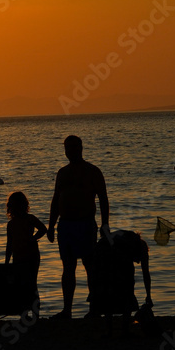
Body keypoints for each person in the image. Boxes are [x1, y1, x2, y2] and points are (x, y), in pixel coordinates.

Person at [47, 135, 110, 319]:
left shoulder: (93, 171)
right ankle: (67, 310)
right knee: (68, 267)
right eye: (67, 148)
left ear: (81, 148)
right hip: (65, 225)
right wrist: (50, 225)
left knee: (90, 266)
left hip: (85, 224)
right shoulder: (62, 173)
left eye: (74, 147)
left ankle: (94, 309)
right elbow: (56, 200)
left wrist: (105, 224)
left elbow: (104, 200)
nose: (71, 151)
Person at [88, 230, 152, 335]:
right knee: (127, 288)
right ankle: (124, 329)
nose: (137, 262)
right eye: (138, 260)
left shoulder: (130, 240)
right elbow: (146, 273)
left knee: (107, 289)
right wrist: (148, 295)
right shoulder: (140, 247)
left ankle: (109, 329)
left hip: (101, 248)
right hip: (107, 249)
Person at [4, 191, 46, 286]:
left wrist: (33, 238)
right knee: (22, 283)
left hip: (30, 254)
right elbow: (9, 244)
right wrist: (6, 262)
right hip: (19, 255)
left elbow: (43, 229)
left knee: (30, 282)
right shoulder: (11, 224)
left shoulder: (30, 218)